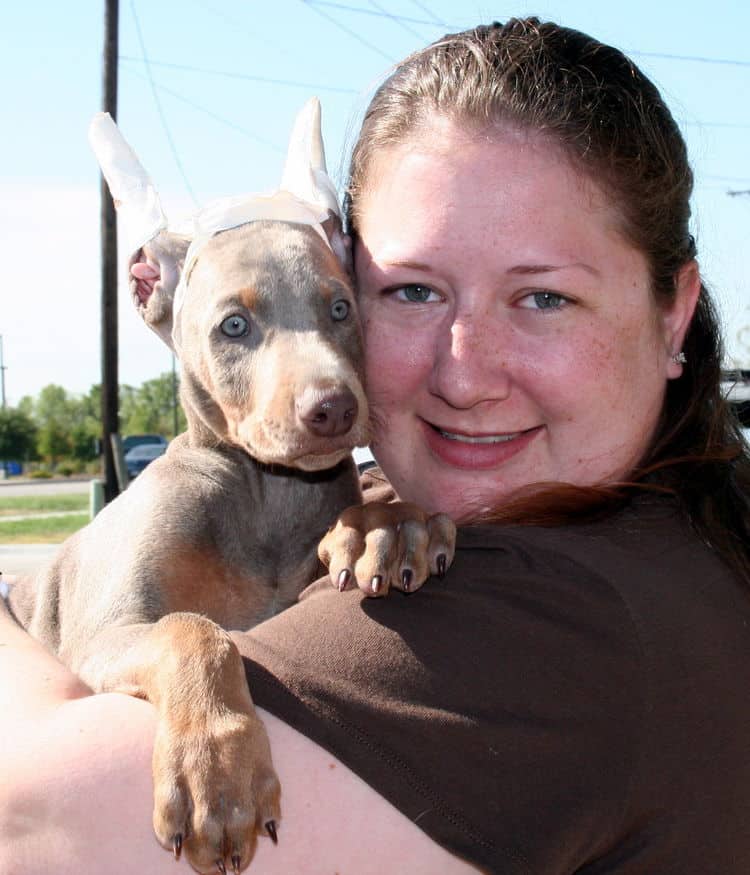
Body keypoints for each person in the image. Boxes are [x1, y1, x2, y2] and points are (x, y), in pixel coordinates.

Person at [2, 17, 750, 874]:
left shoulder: (540, 622)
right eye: (415, 291)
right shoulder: (687, 534)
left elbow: (34, 823)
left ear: (674, 310)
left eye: (543, 298)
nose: (465, 377)